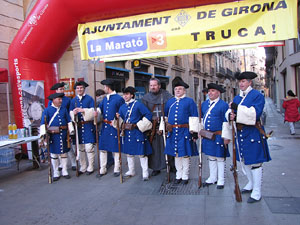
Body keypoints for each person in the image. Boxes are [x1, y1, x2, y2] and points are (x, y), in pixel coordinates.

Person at [225, 71, 271, 203]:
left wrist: (237, 109)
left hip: (253, 133)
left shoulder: (257, 96)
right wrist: (230, 115)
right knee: (244, 161)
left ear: (250, 82)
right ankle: (251, 183)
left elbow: (255, 114)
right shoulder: (238, 97)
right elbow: (229, 112)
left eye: (244, 81)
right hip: (240, 134)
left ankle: (257, 192)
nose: (241, 84)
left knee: (255, 162)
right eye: (240, 82)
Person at [164, 77, 199, 184]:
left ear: (184, 90)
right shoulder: (170, 102)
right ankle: (178, 175)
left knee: (185, 155)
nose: (178, 91)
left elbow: (194, 117)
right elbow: (165, 117)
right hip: (173, 132)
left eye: (180, 89)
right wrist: (164, 128)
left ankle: (185, 176)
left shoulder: (189, 101)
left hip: (185, 132)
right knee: (176, 155)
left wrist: (194, 133)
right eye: (176, 89)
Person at [118, 86, 153, 181]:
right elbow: (120, 118)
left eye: (127, 94)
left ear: (132, 95)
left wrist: (140, 125)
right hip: (127, 133)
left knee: (142, 153)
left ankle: (145, 173)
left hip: (137, 132)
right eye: (124, 94)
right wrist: (117, 118)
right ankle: (131, 170)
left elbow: (148, 115)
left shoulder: (138, 105)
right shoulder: (122, 107)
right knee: (129, 153)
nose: (125, 96)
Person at [141, 78, 173, 176]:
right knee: (154, 148)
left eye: (154, 85)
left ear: (159, 86)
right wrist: (151, 119)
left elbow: (171, 110)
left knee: (168, 146)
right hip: (153, 128)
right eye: (151, 85)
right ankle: (156, 167)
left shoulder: (167, 96)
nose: (153, 87)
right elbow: (143, 113)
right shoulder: (145, 98)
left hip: (165, 126)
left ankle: (171, 165)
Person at [200, 83, 230, 189]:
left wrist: (226, 137)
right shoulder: (204, 104)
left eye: (212, 91)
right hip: (208, 136)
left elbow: (226, 122)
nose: (210, 93)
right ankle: (213, 177)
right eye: (209, 91)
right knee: (211, 157)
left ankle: (221, 179)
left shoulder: (223, 105)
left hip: (219, 136)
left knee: (220, 157)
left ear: (218, 93)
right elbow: (202, 119)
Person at [40, 93, 74, 181]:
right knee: (54, 154)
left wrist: (71, 131)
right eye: (59, 99)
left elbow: (68, 121)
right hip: (52, 136)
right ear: (53, 100)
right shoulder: (47, 110)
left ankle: (65, 170)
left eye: (61, 99)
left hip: (63, 134)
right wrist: (44, 135)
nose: (61, 101)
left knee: (64, 153)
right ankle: (56, 172)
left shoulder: (63, 110)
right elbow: (43, 124)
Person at [97, 79, 125, 177]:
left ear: (108, 87)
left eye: (104, 87)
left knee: (116, 148)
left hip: (114, 127)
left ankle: (117, 168)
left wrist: (119, 117)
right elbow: (100, 109)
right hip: (105, 127)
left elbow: (122, 112)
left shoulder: (118, 98)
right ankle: (102, 169)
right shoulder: (105, 98)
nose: (104, 88)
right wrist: (96, 112)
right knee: (103, 148)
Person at [48, 82, 76, 171]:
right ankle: (61, 164)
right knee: (58, 146)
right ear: (56, 91)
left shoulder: (67, 100)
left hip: (66, 125)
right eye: (60, 89)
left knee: (68, 145)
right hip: (55, 128)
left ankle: (73, 162)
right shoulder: (51, 101)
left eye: (63, 89)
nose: (62, 91)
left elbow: (70, 112)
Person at [70, 81, 96, 175]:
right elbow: (70, 113)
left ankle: (91, 167)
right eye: (78, 88)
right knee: (80, 148)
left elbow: (93, 112)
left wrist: (83, 110)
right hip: (79, 127)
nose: (79, 90)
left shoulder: (89, 99)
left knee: (89, 147)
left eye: (81, 88)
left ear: (84, 89)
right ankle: (83, 166)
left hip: (88, 126)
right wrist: (74, 113)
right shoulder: (73, 100)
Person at [95, 88, 114, 169]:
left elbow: (98, 117)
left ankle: (108, 161)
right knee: (107, 145)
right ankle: (110, 160)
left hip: (101, 126)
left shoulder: (99, 103)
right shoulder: (106, 101)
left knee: (103, 146)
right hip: (106, 126)